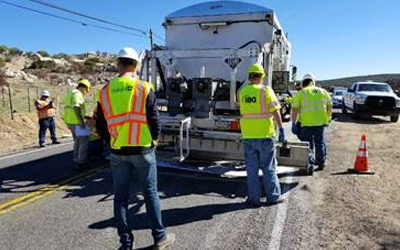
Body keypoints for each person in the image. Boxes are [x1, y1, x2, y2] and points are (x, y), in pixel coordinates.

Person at [95, 47, 175, 250]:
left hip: (118, 152)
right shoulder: (144, 87)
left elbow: (101, 126)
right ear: (136, 65)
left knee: (120, 197)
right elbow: (154, 120)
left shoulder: (104, 91)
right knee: (150, 194)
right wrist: (154, 141)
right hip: (143, 150)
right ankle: (159, 237)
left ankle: (126, 244)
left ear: (118, 65)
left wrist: (112, 141)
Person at [238, 64, 285, 207]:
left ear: (249, 77)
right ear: (261, 76)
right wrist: (281, 128)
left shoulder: (243, 92)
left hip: (248, 136)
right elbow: (276, 111)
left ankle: (254, 199)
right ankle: (273, 197)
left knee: (251, 170)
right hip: (265, 135)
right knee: (268, 167)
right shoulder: (265, 90)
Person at [291, 73, 332, 171]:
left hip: (306, 123)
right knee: (320, 142)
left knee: (308, 144)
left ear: (303, 82)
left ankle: (310, 165)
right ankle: (321, 162)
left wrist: (293, 123)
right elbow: (329, 105)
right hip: (320, 123)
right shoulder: (323, 91)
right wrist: (328, 117)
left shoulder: (301, 93)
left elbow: (295, 109)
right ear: (313, 81)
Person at [63, 79, 91, 169]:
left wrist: (84, 115)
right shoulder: (78, 94)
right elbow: (76, 107)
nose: (85, 93)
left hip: (69, 121)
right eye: (86, 91)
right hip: (76, 122)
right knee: (84, 141)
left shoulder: (71, 93)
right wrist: (81, 121)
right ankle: (81, 161)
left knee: (77, 140)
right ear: (84, 88)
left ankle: (76, 158)